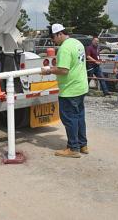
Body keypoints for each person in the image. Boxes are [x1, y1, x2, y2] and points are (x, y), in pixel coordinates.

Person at [41, 24, 89, 158]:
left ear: (58, 34)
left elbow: (63, 70)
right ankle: (82, 144)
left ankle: (73, 148)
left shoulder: (64, 48)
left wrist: (49, 70)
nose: (53, 41)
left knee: (69, 118)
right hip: (81, 86)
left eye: (53, 38)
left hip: (70, 89)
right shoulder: (77, 43)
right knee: (79, 117)